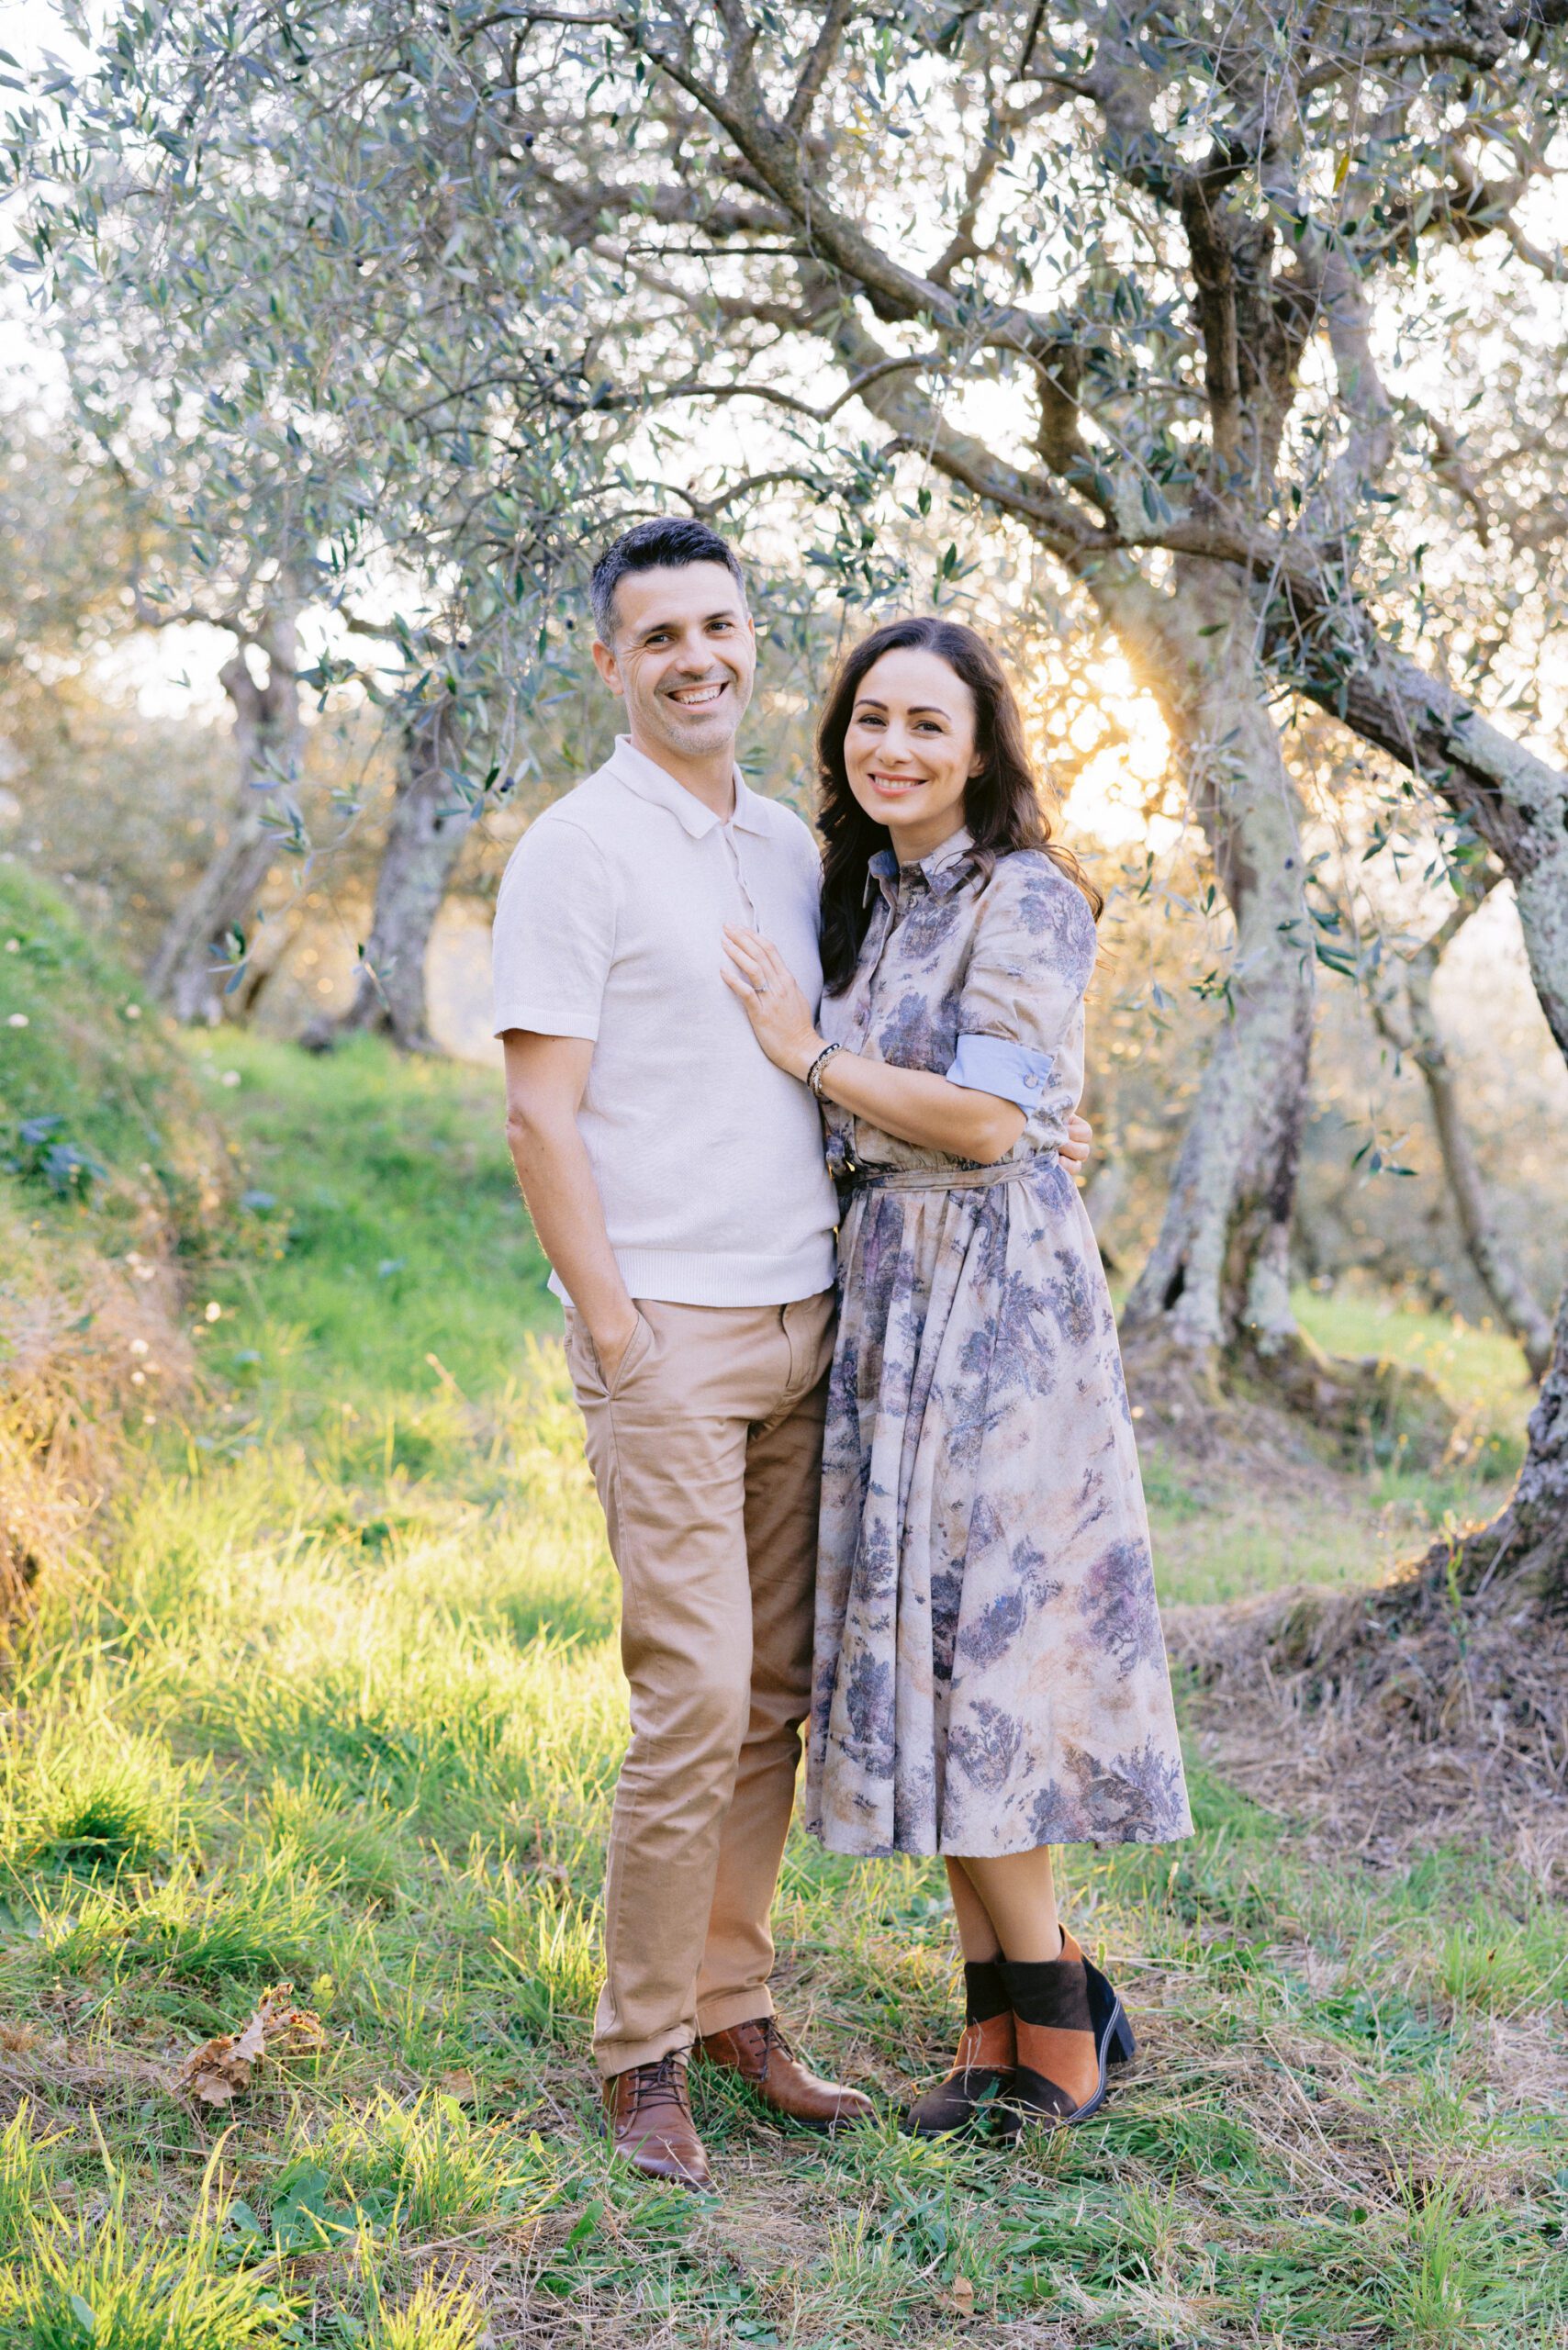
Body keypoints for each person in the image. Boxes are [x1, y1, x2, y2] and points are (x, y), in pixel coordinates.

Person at [493, 520, 1093, 2190]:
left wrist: (1028, 1127)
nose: (695, 657)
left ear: (755, 646)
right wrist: (614, 1329)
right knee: (687, 1699)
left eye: (720, 626)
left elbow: (928, 1065)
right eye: (657, 634)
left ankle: (733, 2004)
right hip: (669, 1332)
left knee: (767, 1702)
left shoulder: (789, 848)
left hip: (819, 1325)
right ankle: (639, 2058)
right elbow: (541, 1113)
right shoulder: (574, 850)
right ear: (609, 662)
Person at [722, 614, 1191, 2143]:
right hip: (889, 1304)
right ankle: (1006, 2023)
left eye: (928, 723)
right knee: (928, 1659)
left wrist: (809, 1059)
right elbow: (950, 1103)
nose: (894, 749)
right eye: (870, 720)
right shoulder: (864, 894)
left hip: (995, 1313)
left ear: (982, 745)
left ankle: (1055, 2028)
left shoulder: (1034, 893)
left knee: (983, 1667)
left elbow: (988, 1123)